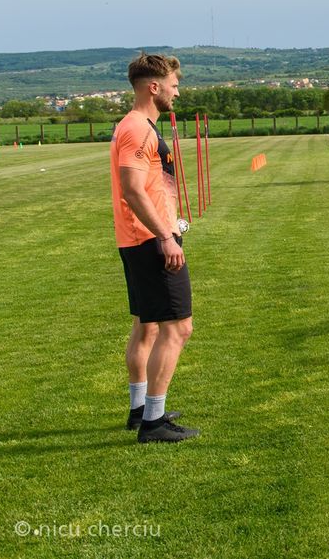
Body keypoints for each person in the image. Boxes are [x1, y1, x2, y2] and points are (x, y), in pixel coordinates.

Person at [110, 52, 200, 442]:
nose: (177, 92)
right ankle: (154, 422)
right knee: (179, 329)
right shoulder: (137, 129)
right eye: (174, 85)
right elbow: (131, 189)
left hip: (144, 237)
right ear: (154, 86)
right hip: (149, 240)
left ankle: (139, 409)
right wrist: (165, 235)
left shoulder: (137, 125)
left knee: (146, 327)